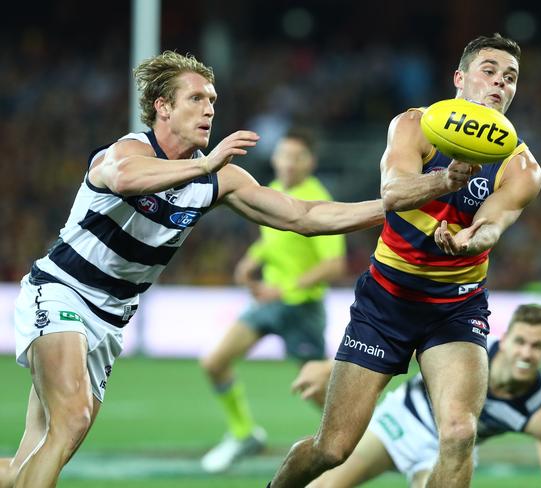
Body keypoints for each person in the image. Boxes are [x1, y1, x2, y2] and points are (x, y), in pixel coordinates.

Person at [0, 51, 385, 488]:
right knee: (71, 418)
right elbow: (123, 177)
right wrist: (204, 163)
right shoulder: (130, 150)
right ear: (163, 106)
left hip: (108, 324)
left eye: (213, 100)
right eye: (196, 98)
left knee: (33, 460)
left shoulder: (217, 181)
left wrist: (392, 206)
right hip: (59, 291)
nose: (209, 109)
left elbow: (306, 216)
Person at [269, 33, 541, 488]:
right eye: (489, 71)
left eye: (510, 78)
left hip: (455, 308)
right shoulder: (412, 126)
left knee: (459, 432)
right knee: (331, 449)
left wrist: (473, 241)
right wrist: (447, 181)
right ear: (460, 78)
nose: (499, 84)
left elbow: (494, 224)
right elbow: (393, 193)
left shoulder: (521, 167)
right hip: (386, 302)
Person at [293, 304, 541, 488]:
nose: (526, 353)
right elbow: (399, 344)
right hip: (401, 423)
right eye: (520, 342)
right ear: (505, 339)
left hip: (446, 451)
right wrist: (330, 367)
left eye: (537, 346)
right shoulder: (470, 354)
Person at [199, 128, 347, 473]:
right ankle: (243, 434)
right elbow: (272, 241)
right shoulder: (273, 192)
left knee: (314, 389)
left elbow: (334, 265)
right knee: (215, 363)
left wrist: (285, 288)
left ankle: (364, 438)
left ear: (310, 162)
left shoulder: (318, 200)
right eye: (283, 155)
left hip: (302, 310)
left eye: (296, 157)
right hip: (269, 302)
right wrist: (251, 260)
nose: (288, 163)